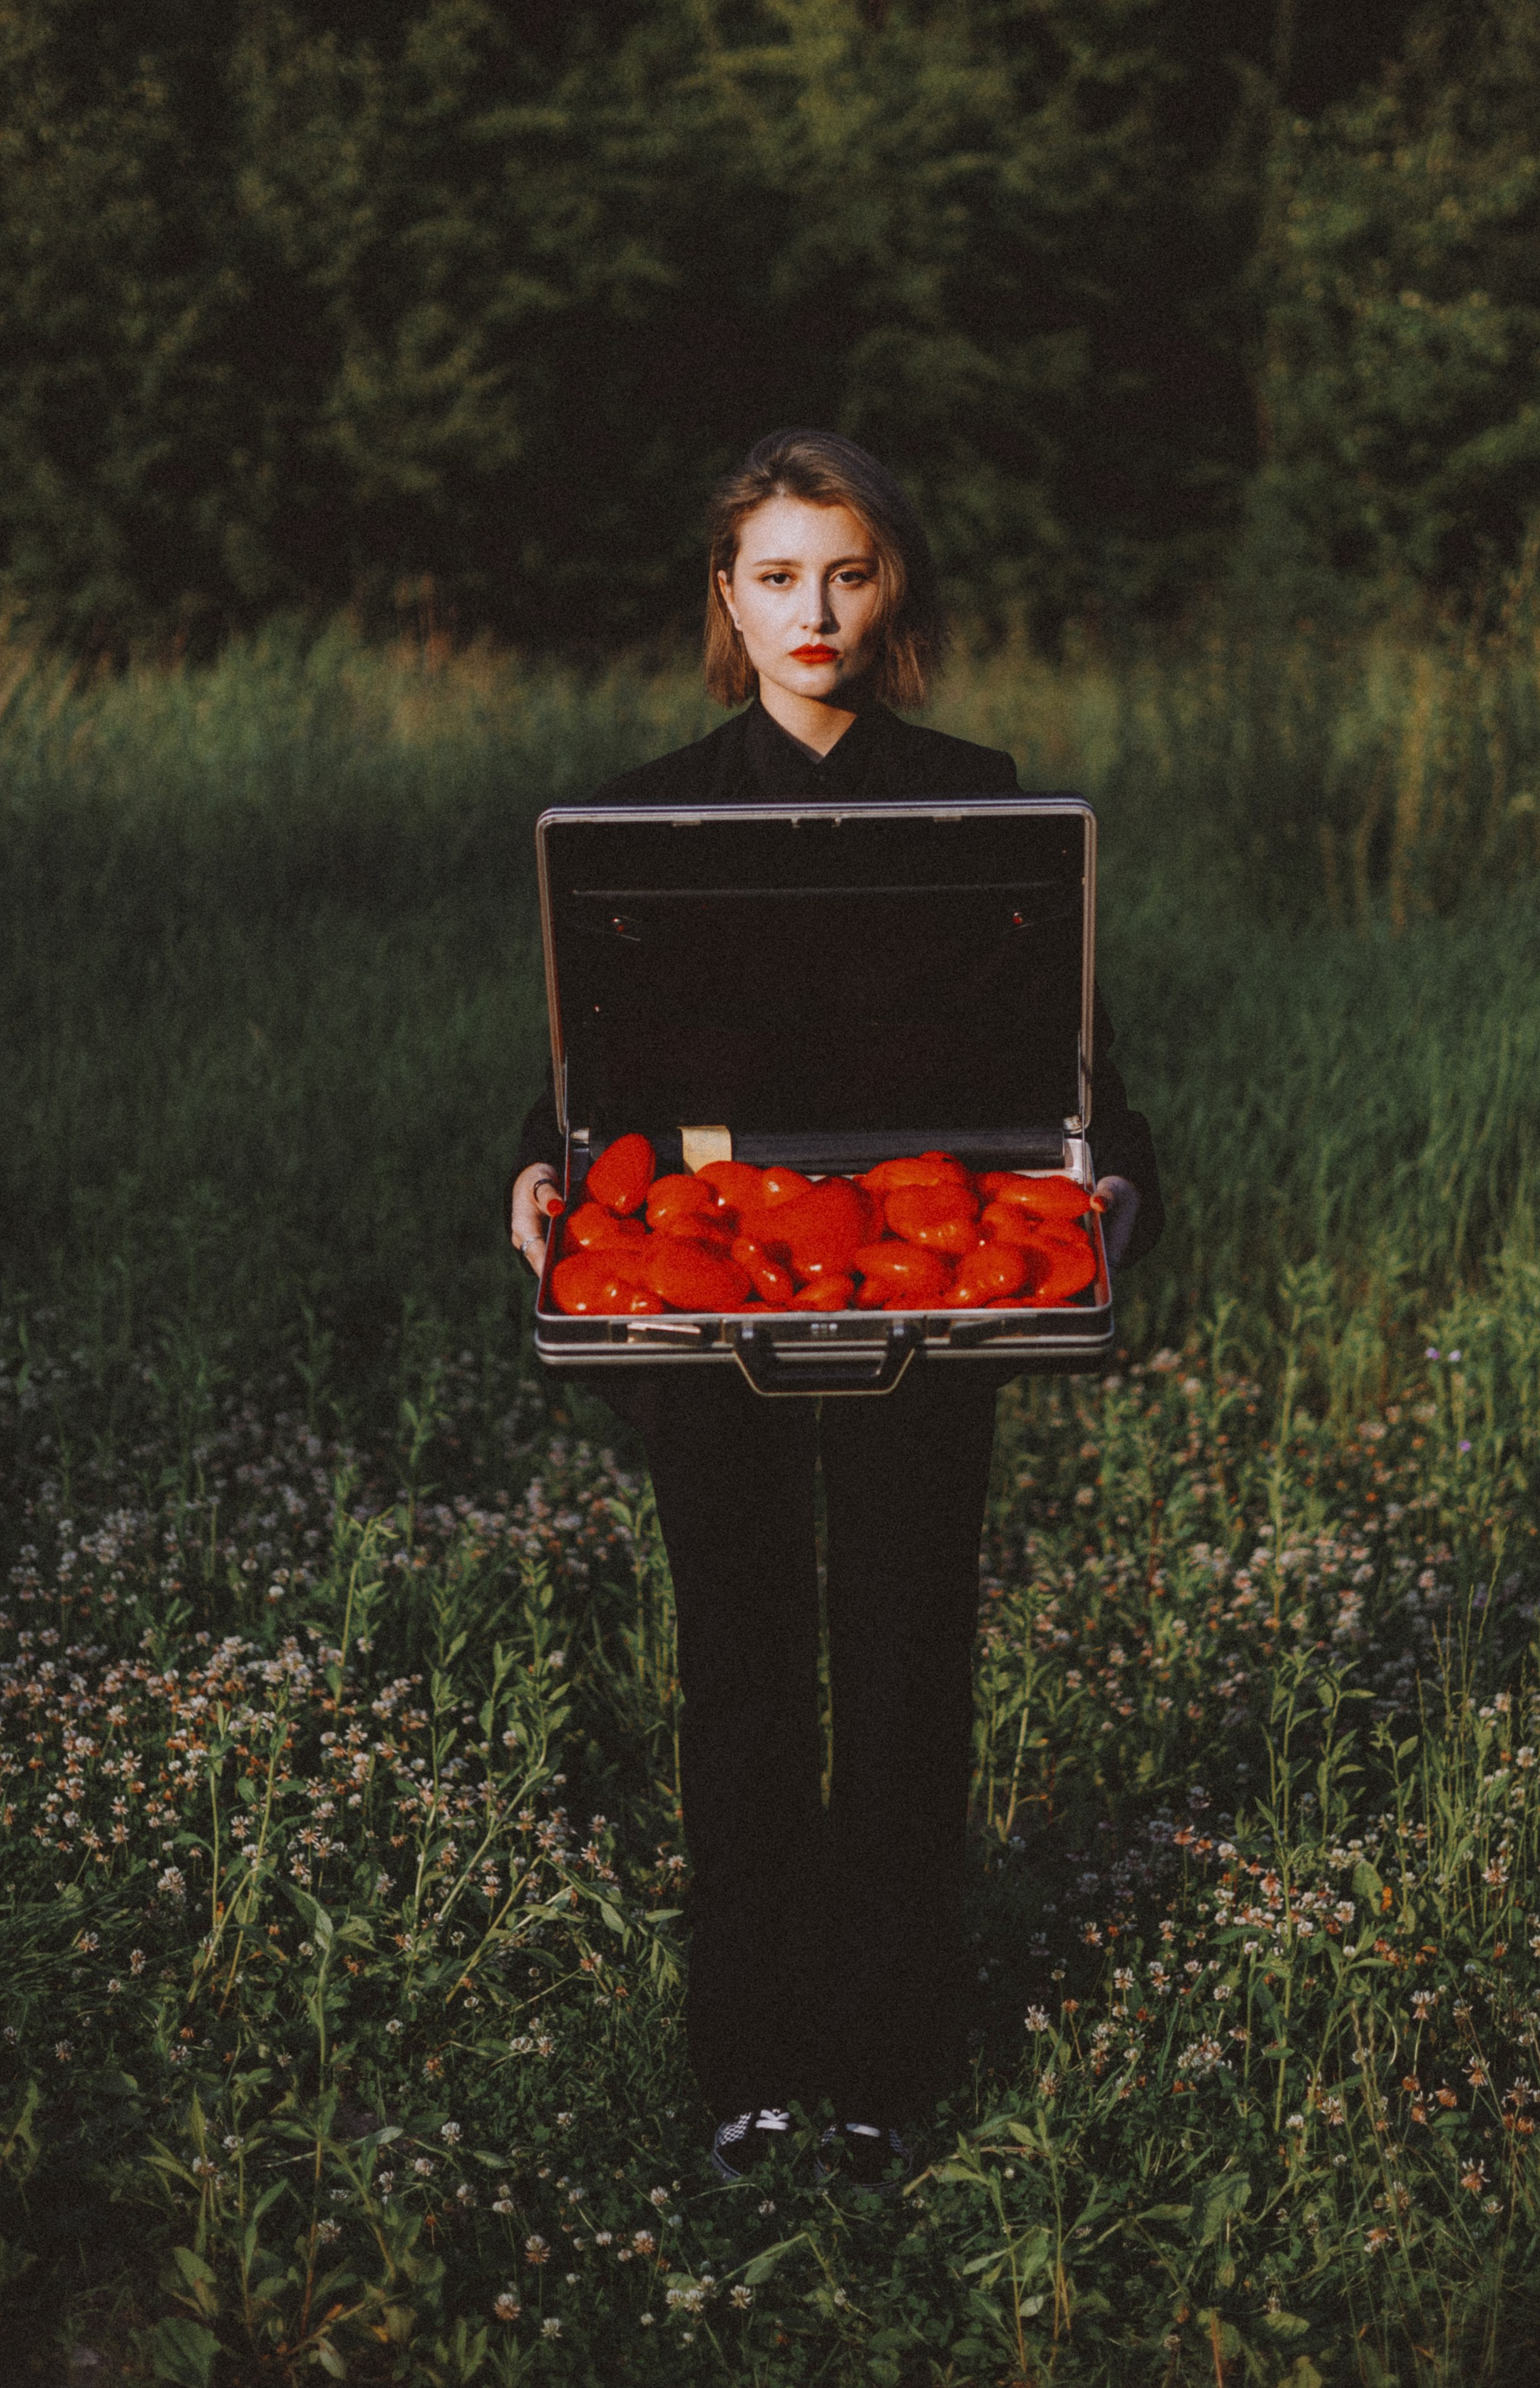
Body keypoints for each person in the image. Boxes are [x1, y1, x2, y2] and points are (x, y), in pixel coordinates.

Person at [508, 429, 1161, 2186]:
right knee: (736, 1677)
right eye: (777, 575)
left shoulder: (976, 797)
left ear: (890, 591)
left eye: (847, 574)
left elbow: (1073, 1076)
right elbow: (586, 1080)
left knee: (900, 1672)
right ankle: (747, 2069)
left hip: (922, 1281)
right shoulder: (640, 815)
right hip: (707, 1285)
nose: (814, 611)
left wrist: (1108, 1189)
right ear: (724, 598)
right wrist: (535, 1179)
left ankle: (882, 2069)